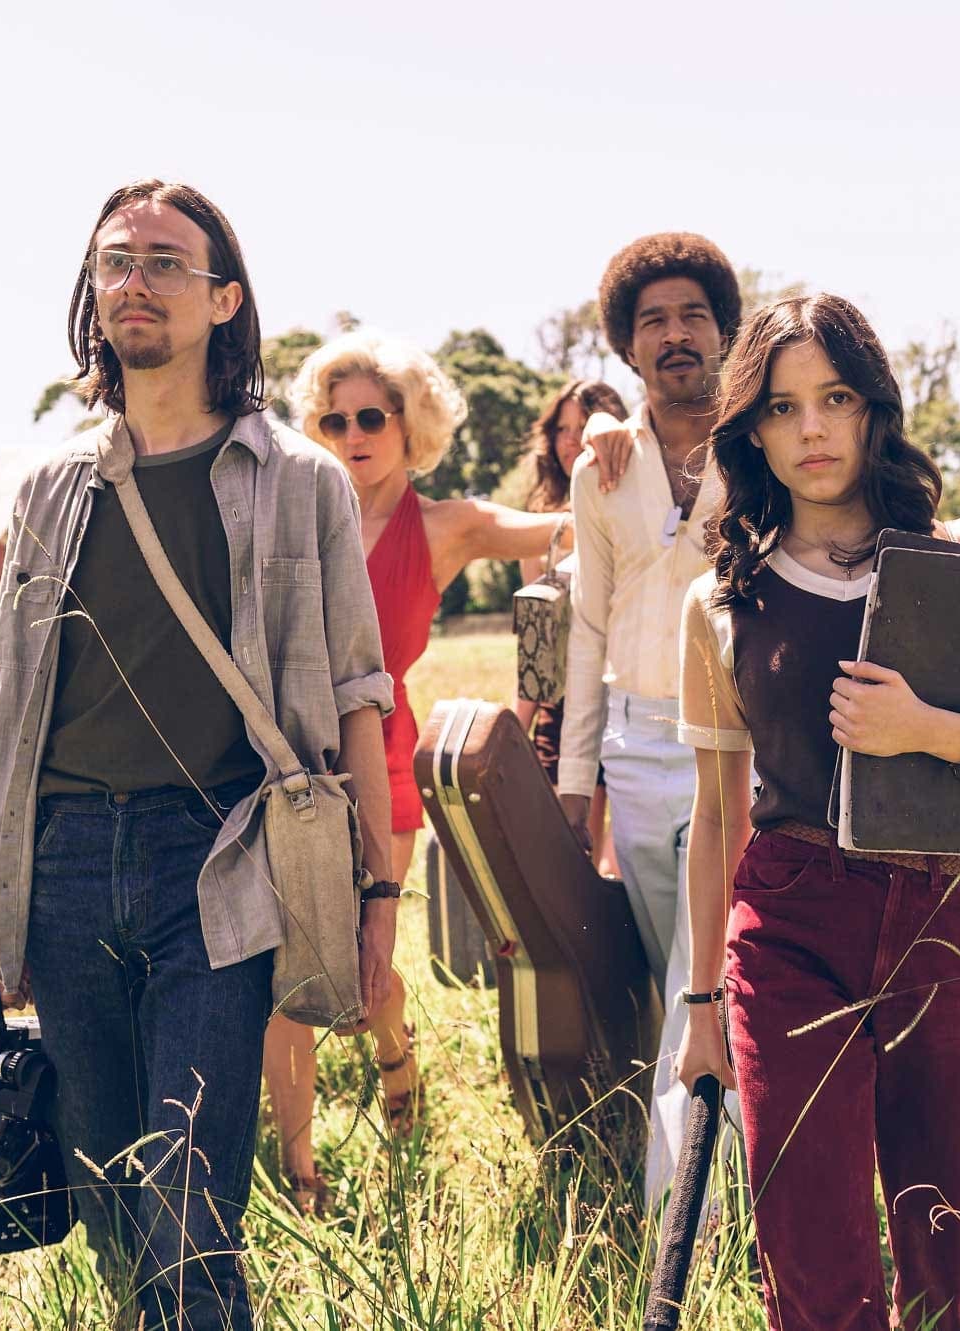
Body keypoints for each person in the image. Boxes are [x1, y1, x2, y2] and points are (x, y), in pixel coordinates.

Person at [0, 179, 400, 1331]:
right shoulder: (50, 489)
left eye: (163, 261)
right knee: (105, 1198)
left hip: (220, 858)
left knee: (190, 1199)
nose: (134, 281)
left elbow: (358, 690)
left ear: (223, 300)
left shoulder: (299, 481)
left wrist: (376, 890)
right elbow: (13, 718)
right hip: (65, 860)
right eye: (114, 261)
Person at [674, 294, 960, 1330]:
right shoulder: (718, 601)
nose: (810, 430)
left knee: (944, 1271)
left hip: (950, 916)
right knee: (811, 1269)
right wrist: (697, 1010)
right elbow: (717, 816)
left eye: (834, 398)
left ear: (874, 411)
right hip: (790, 925)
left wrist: (924, 727)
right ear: (749, 430)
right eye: (780, 409)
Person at [262, 331, 566, 1211]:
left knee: (364, 967)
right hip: (286, 764)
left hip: (384, 764)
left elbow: (569, 529)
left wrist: (616, 455)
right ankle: (301, 1172)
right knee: (291, 970)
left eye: (370, 417)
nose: (352, 433)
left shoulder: (444, 526)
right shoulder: (293, 516)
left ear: (408, 425)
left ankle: (392, 1046)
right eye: (332, 418)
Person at [558, 232, 744, 1206]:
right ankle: (730, 1194)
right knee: (681, 980)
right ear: (627, 347)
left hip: (735, 751)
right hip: (630, 751)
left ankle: (682, 1243)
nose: (674, 336)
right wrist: (574, 787)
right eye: (652, 321)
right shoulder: (604, 465)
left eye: (691, 317)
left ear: (723, 331)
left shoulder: (765, 446)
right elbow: (585, 627)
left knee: (700, 988)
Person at [516, 379, 627, 876]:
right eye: (560, 428)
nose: (569, 439)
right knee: (564, 854)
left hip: (622, 692)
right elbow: (533, 640)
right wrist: (515, 723)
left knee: (618, 857)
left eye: (582, 427)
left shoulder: (629, 509)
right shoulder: (536, 525)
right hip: (559, 705)